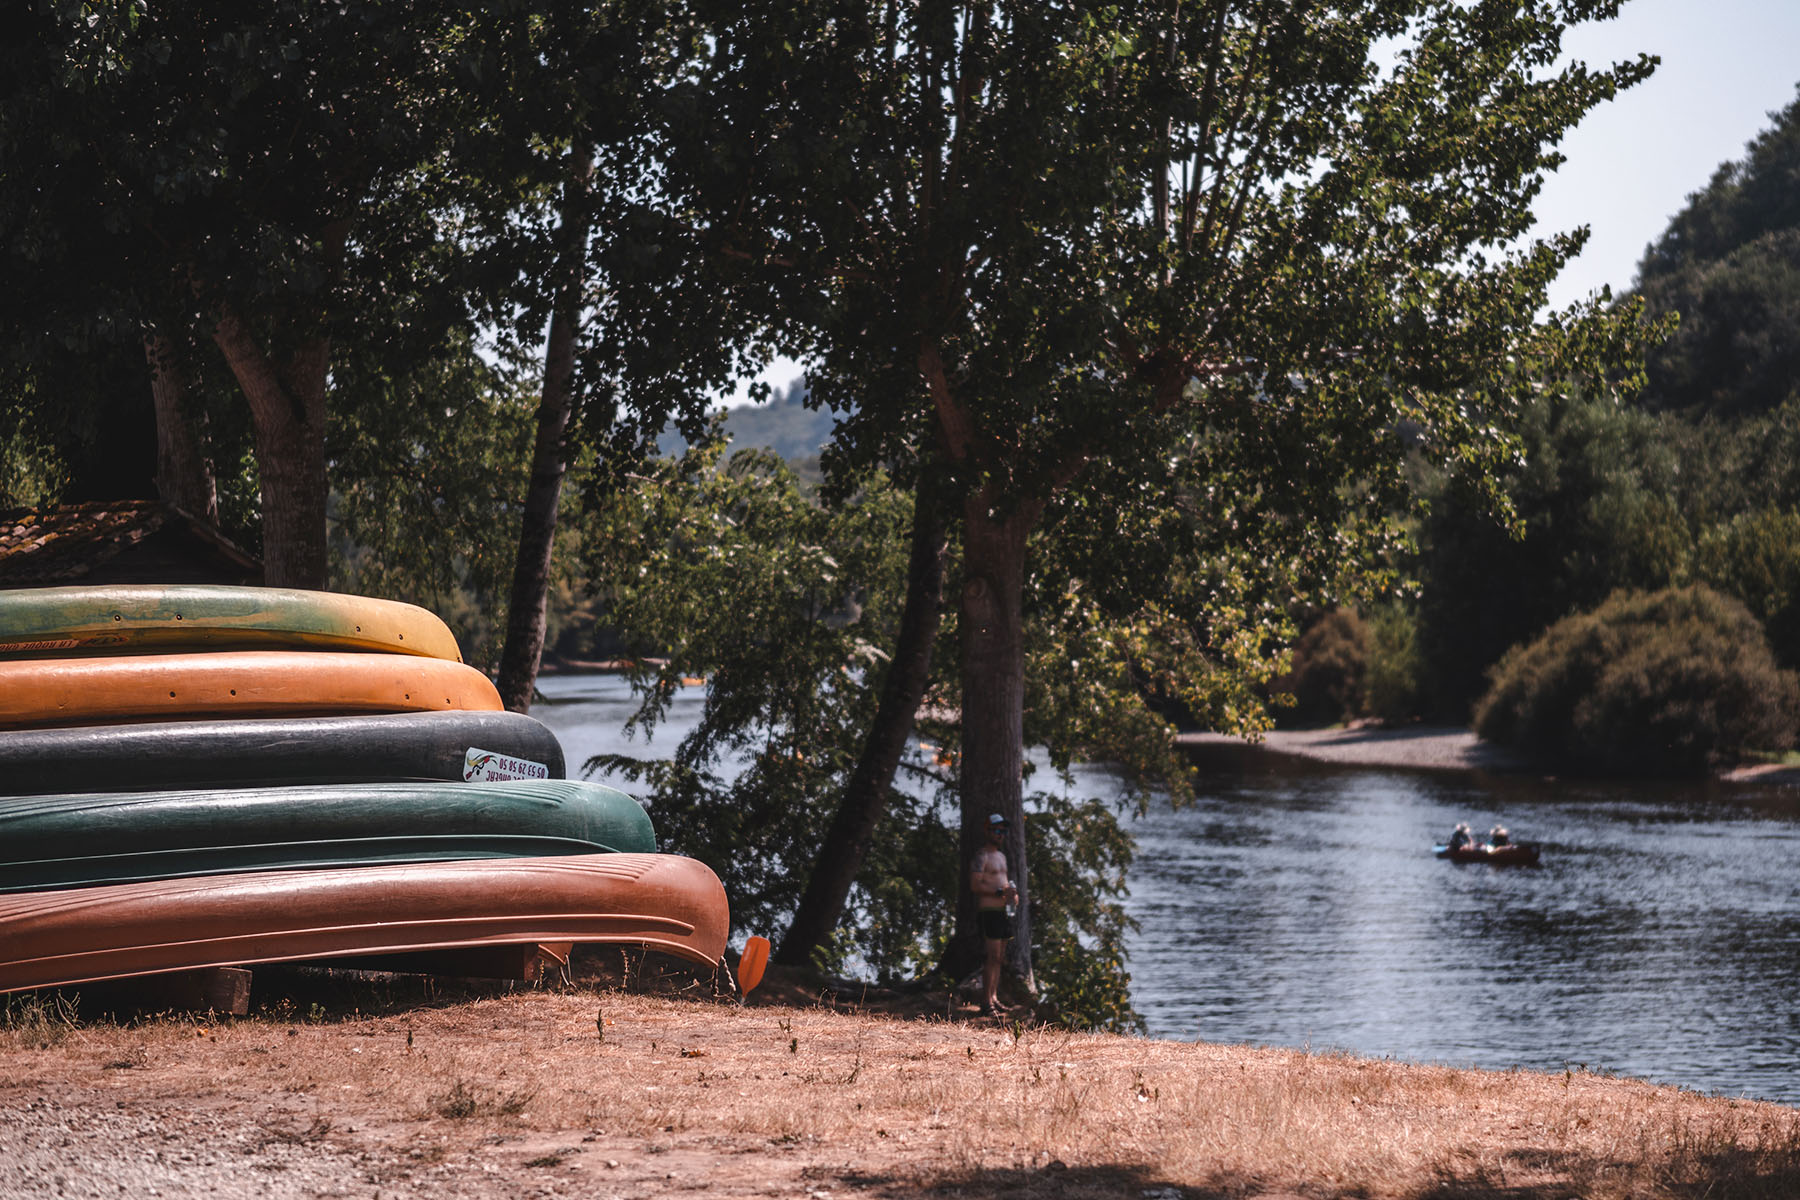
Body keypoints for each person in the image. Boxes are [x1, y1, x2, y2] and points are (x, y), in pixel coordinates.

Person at [970, 812, 1019, 1017]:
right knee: (991, 957)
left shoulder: (1001, 856)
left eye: (1003, 831)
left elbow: (1005, 883)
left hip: (1002, 912)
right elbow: (975, 885)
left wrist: (1011, 896)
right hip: (988, 911)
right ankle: (986, 1002)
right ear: (987, 830)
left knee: (999, 958)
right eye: (997, 830)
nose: (1000, 834)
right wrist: (998, 893)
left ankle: (994, 997)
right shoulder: (982, 856)